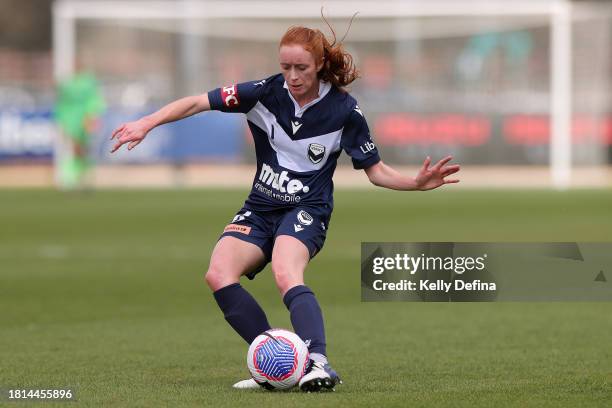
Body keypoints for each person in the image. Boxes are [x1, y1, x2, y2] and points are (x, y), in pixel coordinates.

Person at [110, 24, 460, 392]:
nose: (292, 76)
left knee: (285, 272)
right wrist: (147, 122)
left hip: (308, 209)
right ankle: (280, 362)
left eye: (302, 68)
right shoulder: (263, 93)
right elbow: (198, 101)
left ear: (320, 64)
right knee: (218, 274)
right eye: (286, 66)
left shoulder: (345, 111)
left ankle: (320, 363)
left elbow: (376, 172)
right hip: (260, 207)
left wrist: (416, 183)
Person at [55, 71, 106, 189]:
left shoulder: (87, 82)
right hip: (72, 121)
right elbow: (61, 103)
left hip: (83, 120)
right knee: (77, 148)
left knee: (81, 149)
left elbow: (95, 101)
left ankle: (79, 176)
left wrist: (92, 117)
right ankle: (76, 176)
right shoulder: (68, 84)